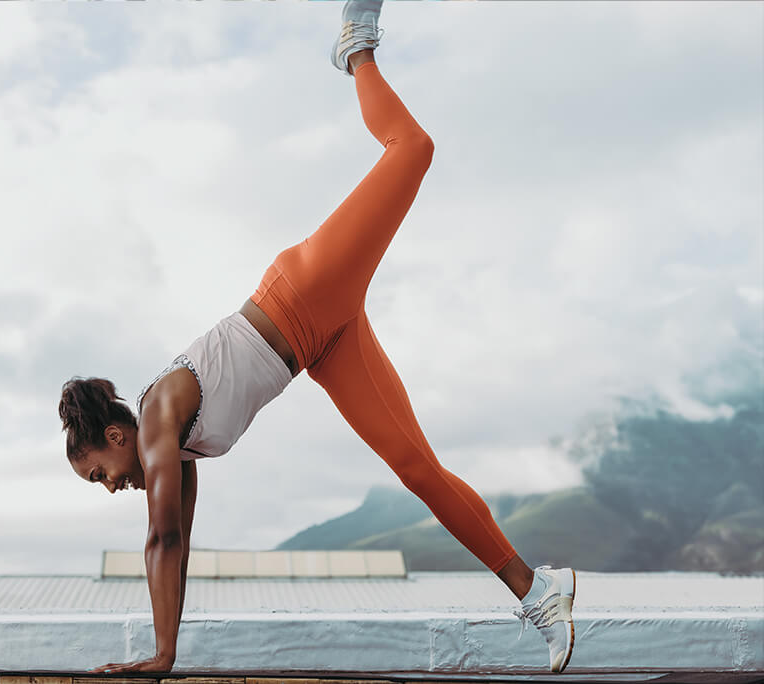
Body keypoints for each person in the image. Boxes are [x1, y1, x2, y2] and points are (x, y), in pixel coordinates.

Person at [62, 0, 576, 674]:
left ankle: (355, 46)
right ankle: (540, 593)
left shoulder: (159, 415)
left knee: (412, 150)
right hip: (319, 346)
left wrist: (159, 658)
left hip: (304, 294)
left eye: (99, 471)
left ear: (118, 437)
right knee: (416, 469)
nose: (108, 486)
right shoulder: (174, 450)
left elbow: (158, 539)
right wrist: (165, 652)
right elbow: (179, 541)